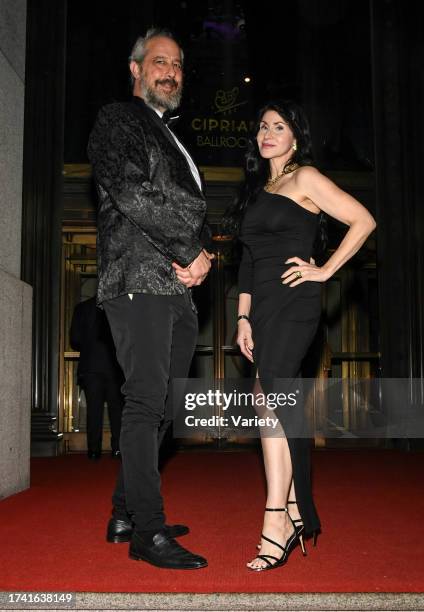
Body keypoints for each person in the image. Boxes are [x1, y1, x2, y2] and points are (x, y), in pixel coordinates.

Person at [229, 100, 376, 571]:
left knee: (273, 399)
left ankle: (276, 518)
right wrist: (243, 318)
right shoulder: (258, 190)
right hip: (264, 309)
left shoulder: (306, 178)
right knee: (264, 398)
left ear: (296, 137)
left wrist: (325, 270)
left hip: (295, 304)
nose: (267, 133)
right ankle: (293, 509)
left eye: (279, 126)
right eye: (262, 127)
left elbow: (363, 220)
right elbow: (248, 261)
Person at [87, 28, 213, 570]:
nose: (171, 72)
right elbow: (134, 194)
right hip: (137, 277)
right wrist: (191, 248)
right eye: (160, 62)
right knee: (144, 403)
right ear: (136, 69)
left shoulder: (170, 136)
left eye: (178, 65)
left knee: (164, 407)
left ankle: (126, 512)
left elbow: (180, 203)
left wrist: (201, 256)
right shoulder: (118, 119)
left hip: (176, 287)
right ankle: (148, 532)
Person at [70, 296, 124, 459]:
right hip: (114, 366)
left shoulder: (82, 308)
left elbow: (75, 339)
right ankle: (118, 449)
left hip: (91, 366)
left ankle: (94, 451)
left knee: (94, 410)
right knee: (117, 411)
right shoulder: (119, 306)